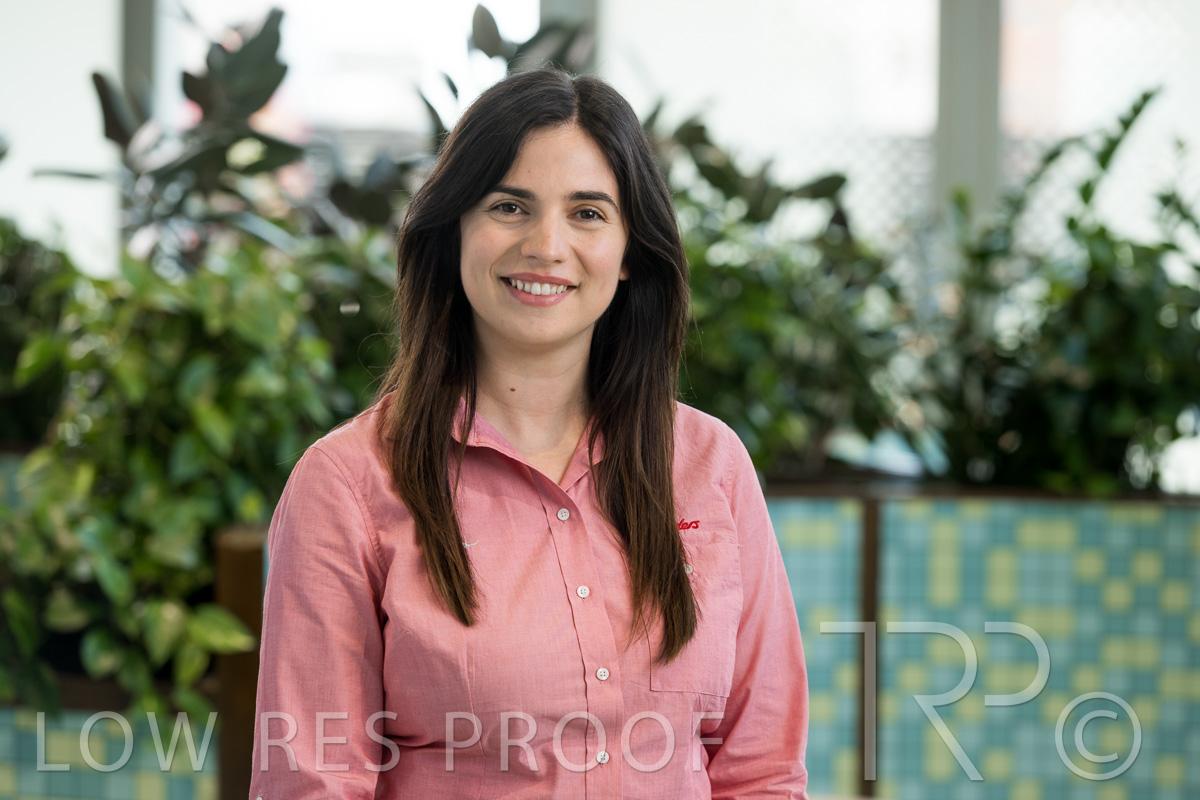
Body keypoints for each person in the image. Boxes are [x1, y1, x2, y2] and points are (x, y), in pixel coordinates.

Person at [250, 68, 809, 799]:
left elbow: (762, 771)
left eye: (588, 213)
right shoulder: (348, 484)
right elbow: (313, 782)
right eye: (509, 206)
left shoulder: (711, 464)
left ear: (630, 251)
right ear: (454, 232)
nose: (547, 245)